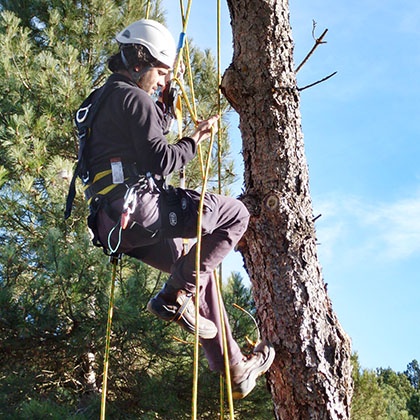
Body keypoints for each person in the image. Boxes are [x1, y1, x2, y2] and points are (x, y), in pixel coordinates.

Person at [79, 19, 275, 399]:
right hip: (141, 210)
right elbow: (161, 159)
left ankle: (235, 367)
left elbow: (146, 129)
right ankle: (171, 298)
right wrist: (195, 140)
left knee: (196, 269)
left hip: (112, 223)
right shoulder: (134, 99)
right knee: (237, 215)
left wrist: (166, 97)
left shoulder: (101, 100)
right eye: (160, 72)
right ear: (140, 62)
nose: (160, 80)